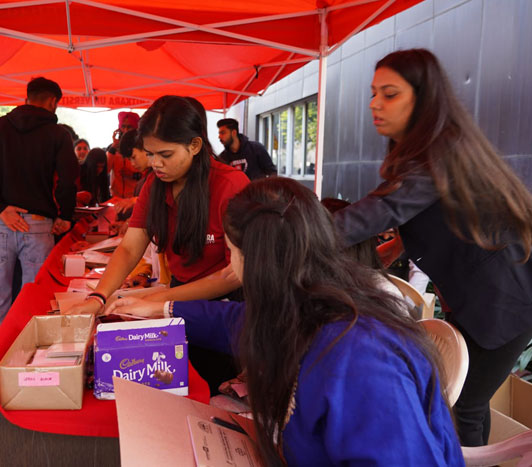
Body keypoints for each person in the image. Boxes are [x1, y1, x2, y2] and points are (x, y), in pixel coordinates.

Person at [108, 178, 464, 465]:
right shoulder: (308, 307)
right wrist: (162, 309)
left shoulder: (361, 359)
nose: (230, 268)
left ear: (260, 262)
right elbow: (234, 319)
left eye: (232, 253)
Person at [332, 48, 532, 447]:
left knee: (465, 407)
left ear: (424, 99)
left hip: (502, 303)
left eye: (390, 94)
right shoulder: (427, 151)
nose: (374, 104)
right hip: (478, 297)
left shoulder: (435, 154)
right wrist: (394, 248)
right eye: (373, 93)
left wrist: (293, 234)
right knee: (461, 403)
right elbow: (435, 215)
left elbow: (379, 211)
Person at [70, 95, 250, 393]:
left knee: (212, 388)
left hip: (224, 306)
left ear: (195, 145)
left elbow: (233, 274)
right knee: (170, 386)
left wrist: (160, 302)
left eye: (165, 154)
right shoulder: (154, 184)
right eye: (150, 154)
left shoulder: (231, 185)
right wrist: (99, 297)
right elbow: (130, 247)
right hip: (178, 293)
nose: (155, 164)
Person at [0, 77, 79, 346]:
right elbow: (68, 180)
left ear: (27, 97)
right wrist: (65, 216)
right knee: (37, 297)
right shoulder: (58, 134)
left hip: (0, 223)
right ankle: (32, 358)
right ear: (53, 102)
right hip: (38, 224)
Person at [107, 111, 140, 198]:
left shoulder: (141, 147)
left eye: (129, 127)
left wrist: (133, 175)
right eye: (123, 126)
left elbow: (148, 174)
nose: (125, 130)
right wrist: (113, 147)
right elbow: (106, 170)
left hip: (135, 198)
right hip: (115, 197)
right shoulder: (112, 148)